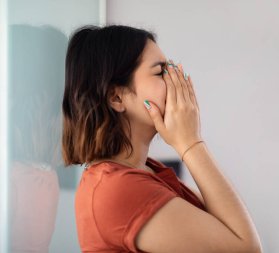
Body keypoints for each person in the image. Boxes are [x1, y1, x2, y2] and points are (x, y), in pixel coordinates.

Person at [62, 24, 263, 253]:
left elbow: (227, 227)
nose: (176, 82)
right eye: (160, 72)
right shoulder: (117, 189)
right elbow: (247, 248)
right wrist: (190, 143)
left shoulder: (148, 170)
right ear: (116, 97)